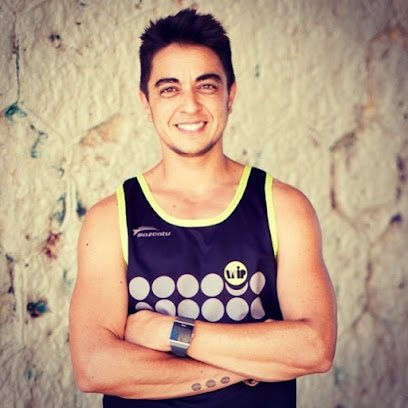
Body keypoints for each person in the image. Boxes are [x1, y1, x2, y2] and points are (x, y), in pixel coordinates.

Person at [69, 8, 337, 408]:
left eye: (206, 86)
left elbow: (315, 348)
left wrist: (171, 333)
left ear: (231, 95)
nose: (190, 105)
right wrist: (255, 362)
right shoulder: (111, 218)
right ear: (147, 103)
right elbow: (95, 368)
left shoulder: (283, 207)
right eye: (169, 89)